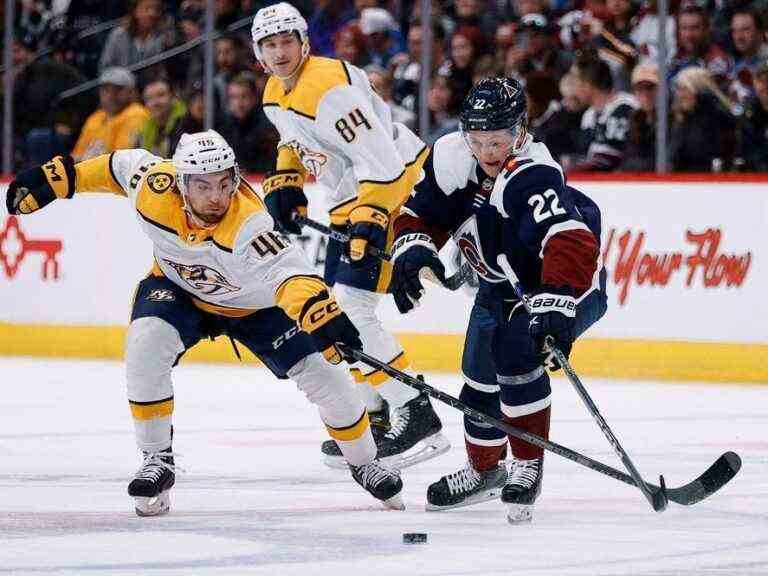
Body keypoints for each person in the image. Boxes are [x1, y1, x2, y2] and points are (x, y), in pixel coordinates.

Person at [5, 129, 404, 516]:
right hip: (180, 291)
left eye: (223, 184)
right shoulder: (153, 185)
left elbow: (289, 275)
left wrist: (319, 314)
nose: (216, 197)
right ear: (180, 184)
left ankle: (366, 463)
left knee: (328, 379)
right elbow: (116, 166)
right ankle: (156, 460)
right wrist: (59, 178)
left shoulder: (250, 224)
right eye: (202, 186)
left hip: (256, 308)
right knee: (145, 345)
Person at [389, 77, 606, 523]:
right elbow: (421, 211)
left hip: (560, 283)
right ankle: (486, 470)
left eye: (499, 140)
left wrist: (557, 303)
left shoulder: (532, 173)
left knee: (515, 358)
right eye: (478, 140)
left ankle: (528, 464)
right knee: (478, 377)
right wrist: (413, 250)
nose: (488, 152)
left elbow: (569, 240)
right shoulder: (451, 156)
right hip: (499, 286)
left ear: (520, 131)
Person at [251, 2, 449, 470]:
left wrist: (371, 217)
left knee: (352, 311)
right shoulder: (275, 90)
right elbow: (292, 139)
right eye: (269, 45)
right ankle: (376, 416)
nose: (279, 53)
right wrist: (285, 179)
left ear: (304, 42)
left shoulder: (327, 88)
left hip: (395, 196)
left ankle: (416, 412)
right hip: (354, 203)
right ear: (259, 53)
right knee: (337, 311)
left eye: (286, 42)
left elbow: (384, 161)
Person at [71, 67, 150, 161]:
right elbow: (75, 156)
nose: (111, 95)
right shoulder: (95, 117)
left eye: (118, 90)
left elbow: (120, 159)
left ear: (131, 92)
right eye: (106, 89)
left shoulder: (137, 113)